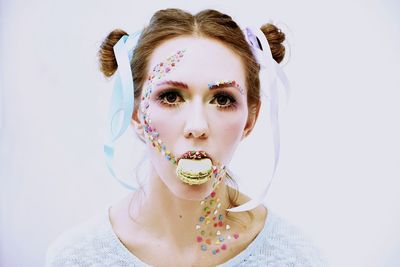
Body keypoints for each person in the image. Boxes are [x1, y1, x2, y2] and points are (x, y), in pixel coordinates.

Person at [46, 8, 327, 267]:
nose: (197, 126)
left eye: (222, 99)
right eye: (170, 96)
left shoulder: (297, 257)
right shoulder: (76, 257)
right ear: (134, 113)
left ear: (250, 120)